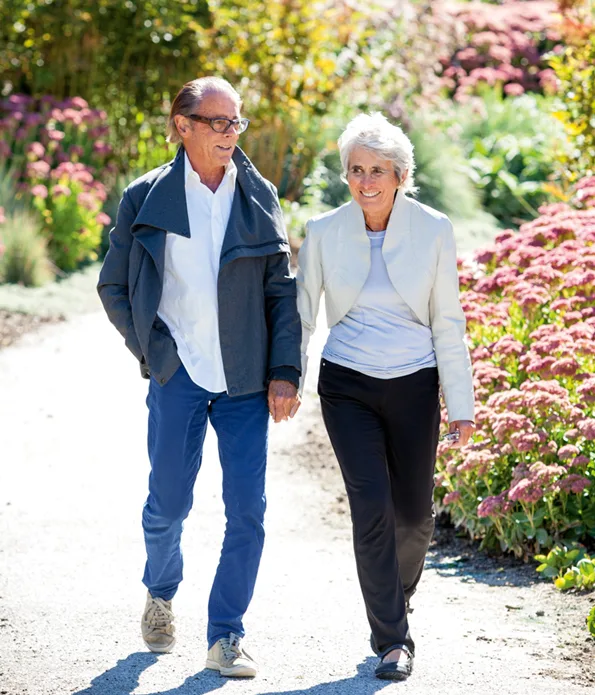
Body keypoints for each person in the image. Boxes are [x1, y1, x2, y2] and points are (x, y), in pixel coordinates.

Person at [97, 77, 301, 678]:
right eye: (218, 122)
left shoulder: (258, 194)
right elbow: (113, 286)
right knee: (167, 504)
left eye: (236, 122)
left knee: (248, 512)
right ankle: (160, 593)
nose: (230, 133)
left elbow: (281, 290)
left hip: (245, 378)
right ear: (182, 126)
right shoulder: (145, 197)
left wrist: (284, 370)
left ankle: (226, 634)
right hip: (178, 373)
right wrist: (154, 352)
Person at [296, 112, 475, 681]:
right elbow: (302, 315)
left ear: (401, 175)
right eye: (356, 169)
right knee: (372, 509)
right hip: (347, 384)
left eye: (378, 170)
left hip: (414, 383)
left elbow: (448, 320)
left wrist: (461, 405)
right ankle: (392, 639)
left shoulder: (434, 229)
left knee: (415, 519)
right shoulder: (324, 231)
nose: (366, 181)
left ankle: (396, 598)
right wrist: (288, 379)